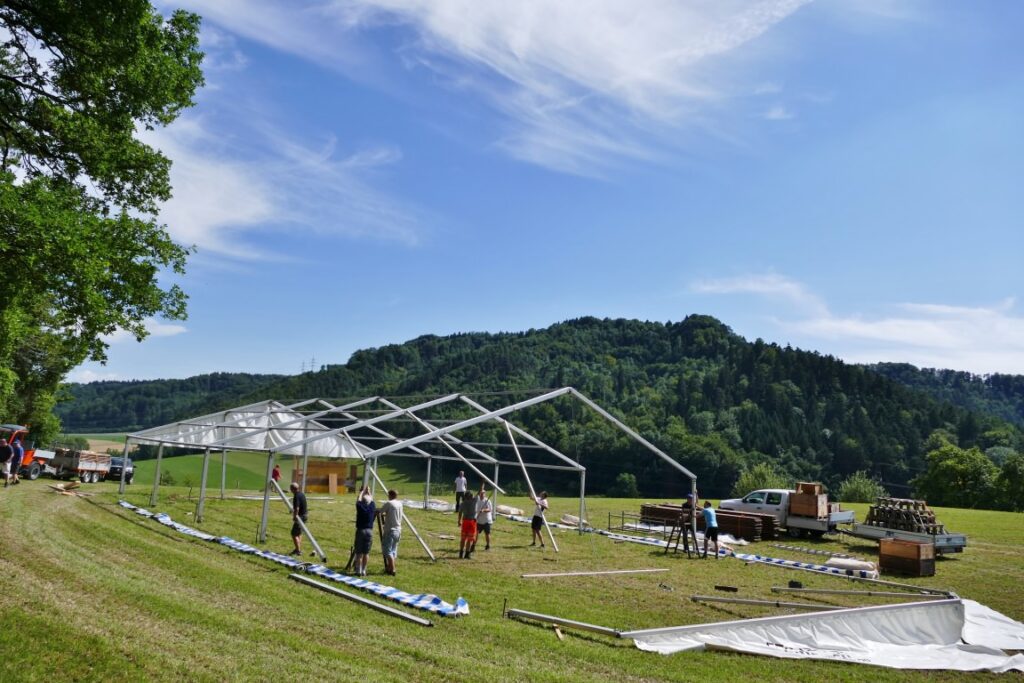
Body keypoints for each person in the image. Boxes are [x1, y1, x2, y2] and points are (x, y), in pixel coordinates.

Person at [379, 489, 403, 576]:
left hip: (390, 530)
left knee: (387, 551)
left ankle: (393, 569)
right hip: (398, 529)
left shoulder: (389, 503)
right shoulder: (400, 503)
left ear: (390, 495)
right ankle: (389, 568)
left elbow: (380, 512)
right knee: (393, 550)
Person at [353, 486, 375, 576]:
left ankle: (358, 569)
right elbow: (372, 500)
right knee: (366, 552)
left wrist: (361, 492)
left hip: (361, 530)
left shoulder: (360, 507)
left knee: (359, 552)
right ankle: (364, 570)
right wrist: (369, 492)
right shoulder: (371, 507)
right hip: (369, 531)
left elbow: (358, 500)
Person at [458, 488, 479, 559]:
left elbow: (460, 512)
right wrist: (483, 482)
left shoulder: (463, 503)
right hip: (471, 522)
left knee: (463, 538)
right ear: (470, 496)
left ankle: (461, 553)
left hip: (465, 522)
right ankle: (467, 554)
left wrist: (459, 521)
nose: (473, 495)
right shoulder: (474, 501)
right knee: (470, 539)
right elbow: (479, 491)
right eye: (472, 495)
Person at [289, 482, 308, 556]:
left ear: (292, 489)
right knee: (299, 533)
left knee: (293, 534)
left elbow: (297, 508)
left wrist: (295, 516)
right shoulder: (302, 494)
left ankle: (298, 551)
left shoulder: (296, 496)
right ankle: (297, 549)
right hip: (305, 515)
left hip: (300, 517)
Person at [475, 486, 493, 551]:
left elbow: (490, 509)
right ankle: (473, 545)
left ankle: (488, 545)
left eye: (483, 493)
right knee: (476, 533)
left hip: (486, 520)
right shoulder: (477, 500)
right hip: (479, 520)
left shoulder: (487, 501)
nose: (482, 494)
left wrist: (483, 510)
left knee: (487, 533)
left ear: (485, 494)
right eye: (481, 493)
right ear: (479, 494)